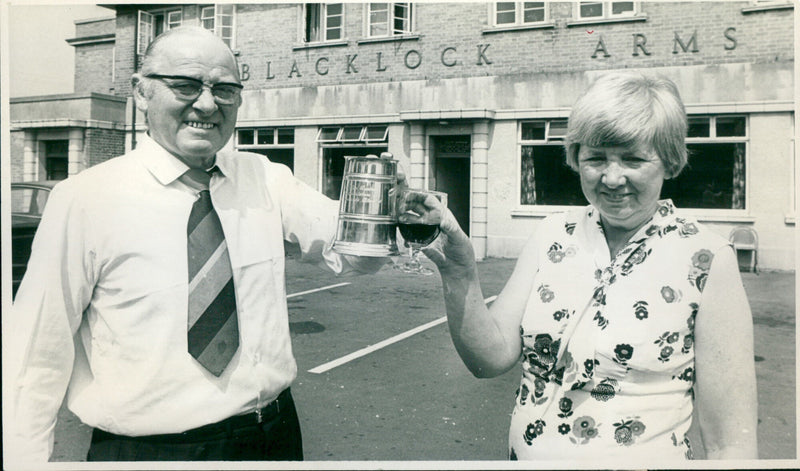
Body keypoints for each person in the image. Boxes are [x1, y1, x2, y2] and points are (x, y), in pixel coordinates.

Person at [6, 26, 387, 463]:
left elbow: (359, 258)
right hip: (152, 451)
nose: (207, 104)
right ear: (142, 92)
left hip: (272, 439)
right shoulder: (85, 200)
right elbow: (35, 358)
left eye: (225, 90)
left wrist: (384, 206)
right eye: (186, 85)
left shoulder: (266, 178)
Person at [406, 71, 758, 461]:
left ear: (669, 162)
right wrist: (460, 270)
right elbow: (489, 359)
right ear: (576, 158)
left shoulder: (706, 259)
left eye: (633, 159)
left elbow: (731, 444)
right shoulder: (552, 234)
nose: (611, 177)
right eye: (595, 158)